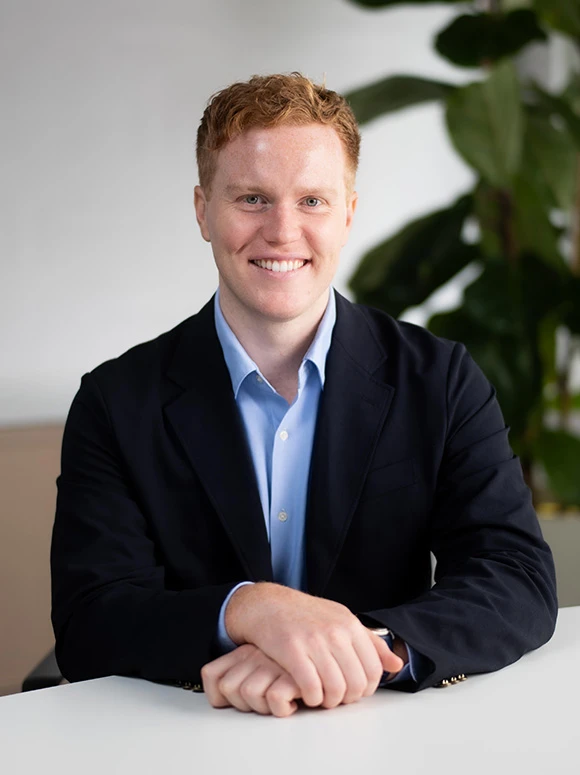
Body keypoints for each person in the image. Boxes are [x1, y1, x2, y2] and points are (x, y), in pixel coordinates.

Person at [51, 73, 557, 719]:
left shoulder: (443, 378)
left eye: (312, 201)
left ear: (348, 211)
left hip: (386, 733)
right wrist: (248, 609)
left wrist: (363, 649)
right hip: (189, 740)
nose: (282, 231)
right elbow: (91, 618)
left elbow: (515, 575)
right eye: (253, 198)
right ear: (203, 209)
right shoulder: (113, 403)